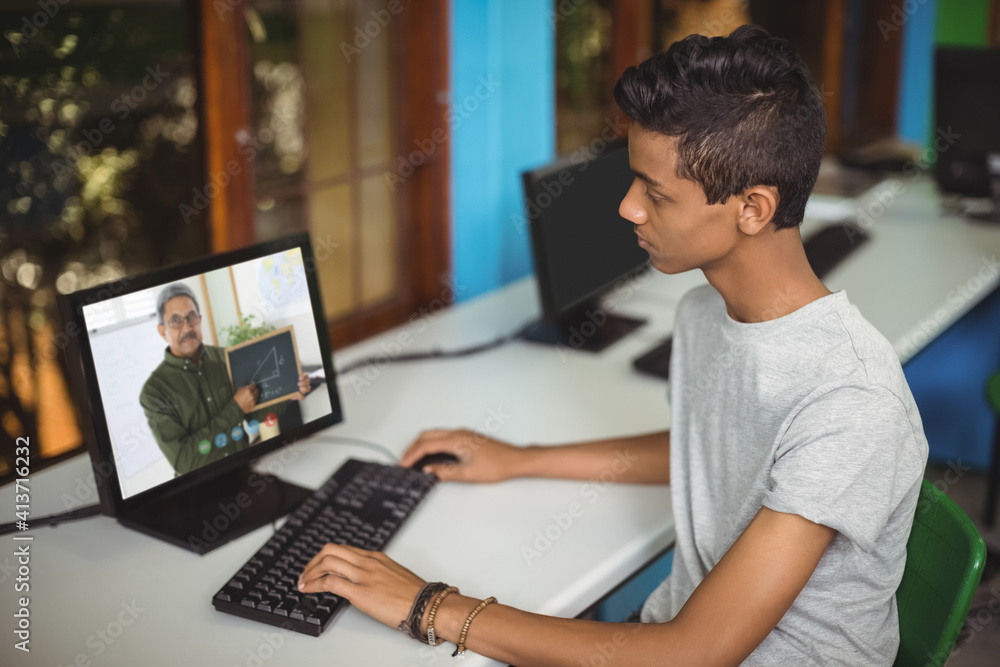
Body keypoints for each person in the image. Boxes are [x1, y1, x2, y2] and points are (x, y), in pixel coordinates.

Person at [297, 25, 928, 666]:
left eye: (655, 193)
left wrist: (430, 607)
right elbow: (715, 449)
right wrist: (520, 458)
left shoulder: (851, 402)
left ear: (755, 208)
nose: (628, 208)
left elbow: (692, 654)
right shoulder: (706, 313)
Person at [139, 282, 311, 475]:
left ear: (200, 319)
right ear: (162, 330)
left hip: (245, 475)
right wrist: (234, 409)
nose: (187, 327)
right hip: (200, 492)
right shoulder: (154, 392)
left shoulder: (226, 358)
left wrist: (288, 392)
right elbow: (184, 461)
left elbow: (255, 414)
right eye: (176, 321)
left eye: (192, 317)